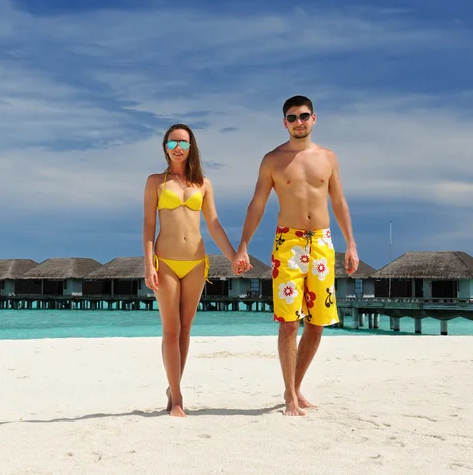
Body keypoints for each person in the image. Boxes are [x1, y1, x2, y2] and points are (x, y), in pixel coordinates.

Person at [233, 95, 359, 416]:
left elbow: (340, 203)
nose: (298, 122)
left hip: (322, 243)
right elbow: (257, 204)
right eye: (292, 117)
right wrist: (244, 245)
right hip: (287, 244)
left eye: (304, 116)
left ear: (314, 118)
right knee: (289, 323)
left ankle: (296, 387)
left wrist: (352, 244)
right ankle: (289, 396)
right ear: (284, 122)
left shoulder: (328, 158)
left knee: (317, 324)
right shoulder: (272, 160)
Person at [143, 123, 244, 417]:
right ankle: (177, 399)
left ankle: (173, 387)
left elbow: (213, 224)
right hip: (167, 263)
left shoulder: (203, 184)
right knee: (170, 330)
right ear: (165, 147)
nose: (178, 148)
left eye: (184, 143)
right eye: (173, 142)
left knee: (185, 330)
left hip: (197, 263)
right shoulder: (155, 182)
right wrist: (148, 263)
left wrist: (235, 255)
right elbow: (149, 226)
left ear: (191, 147)